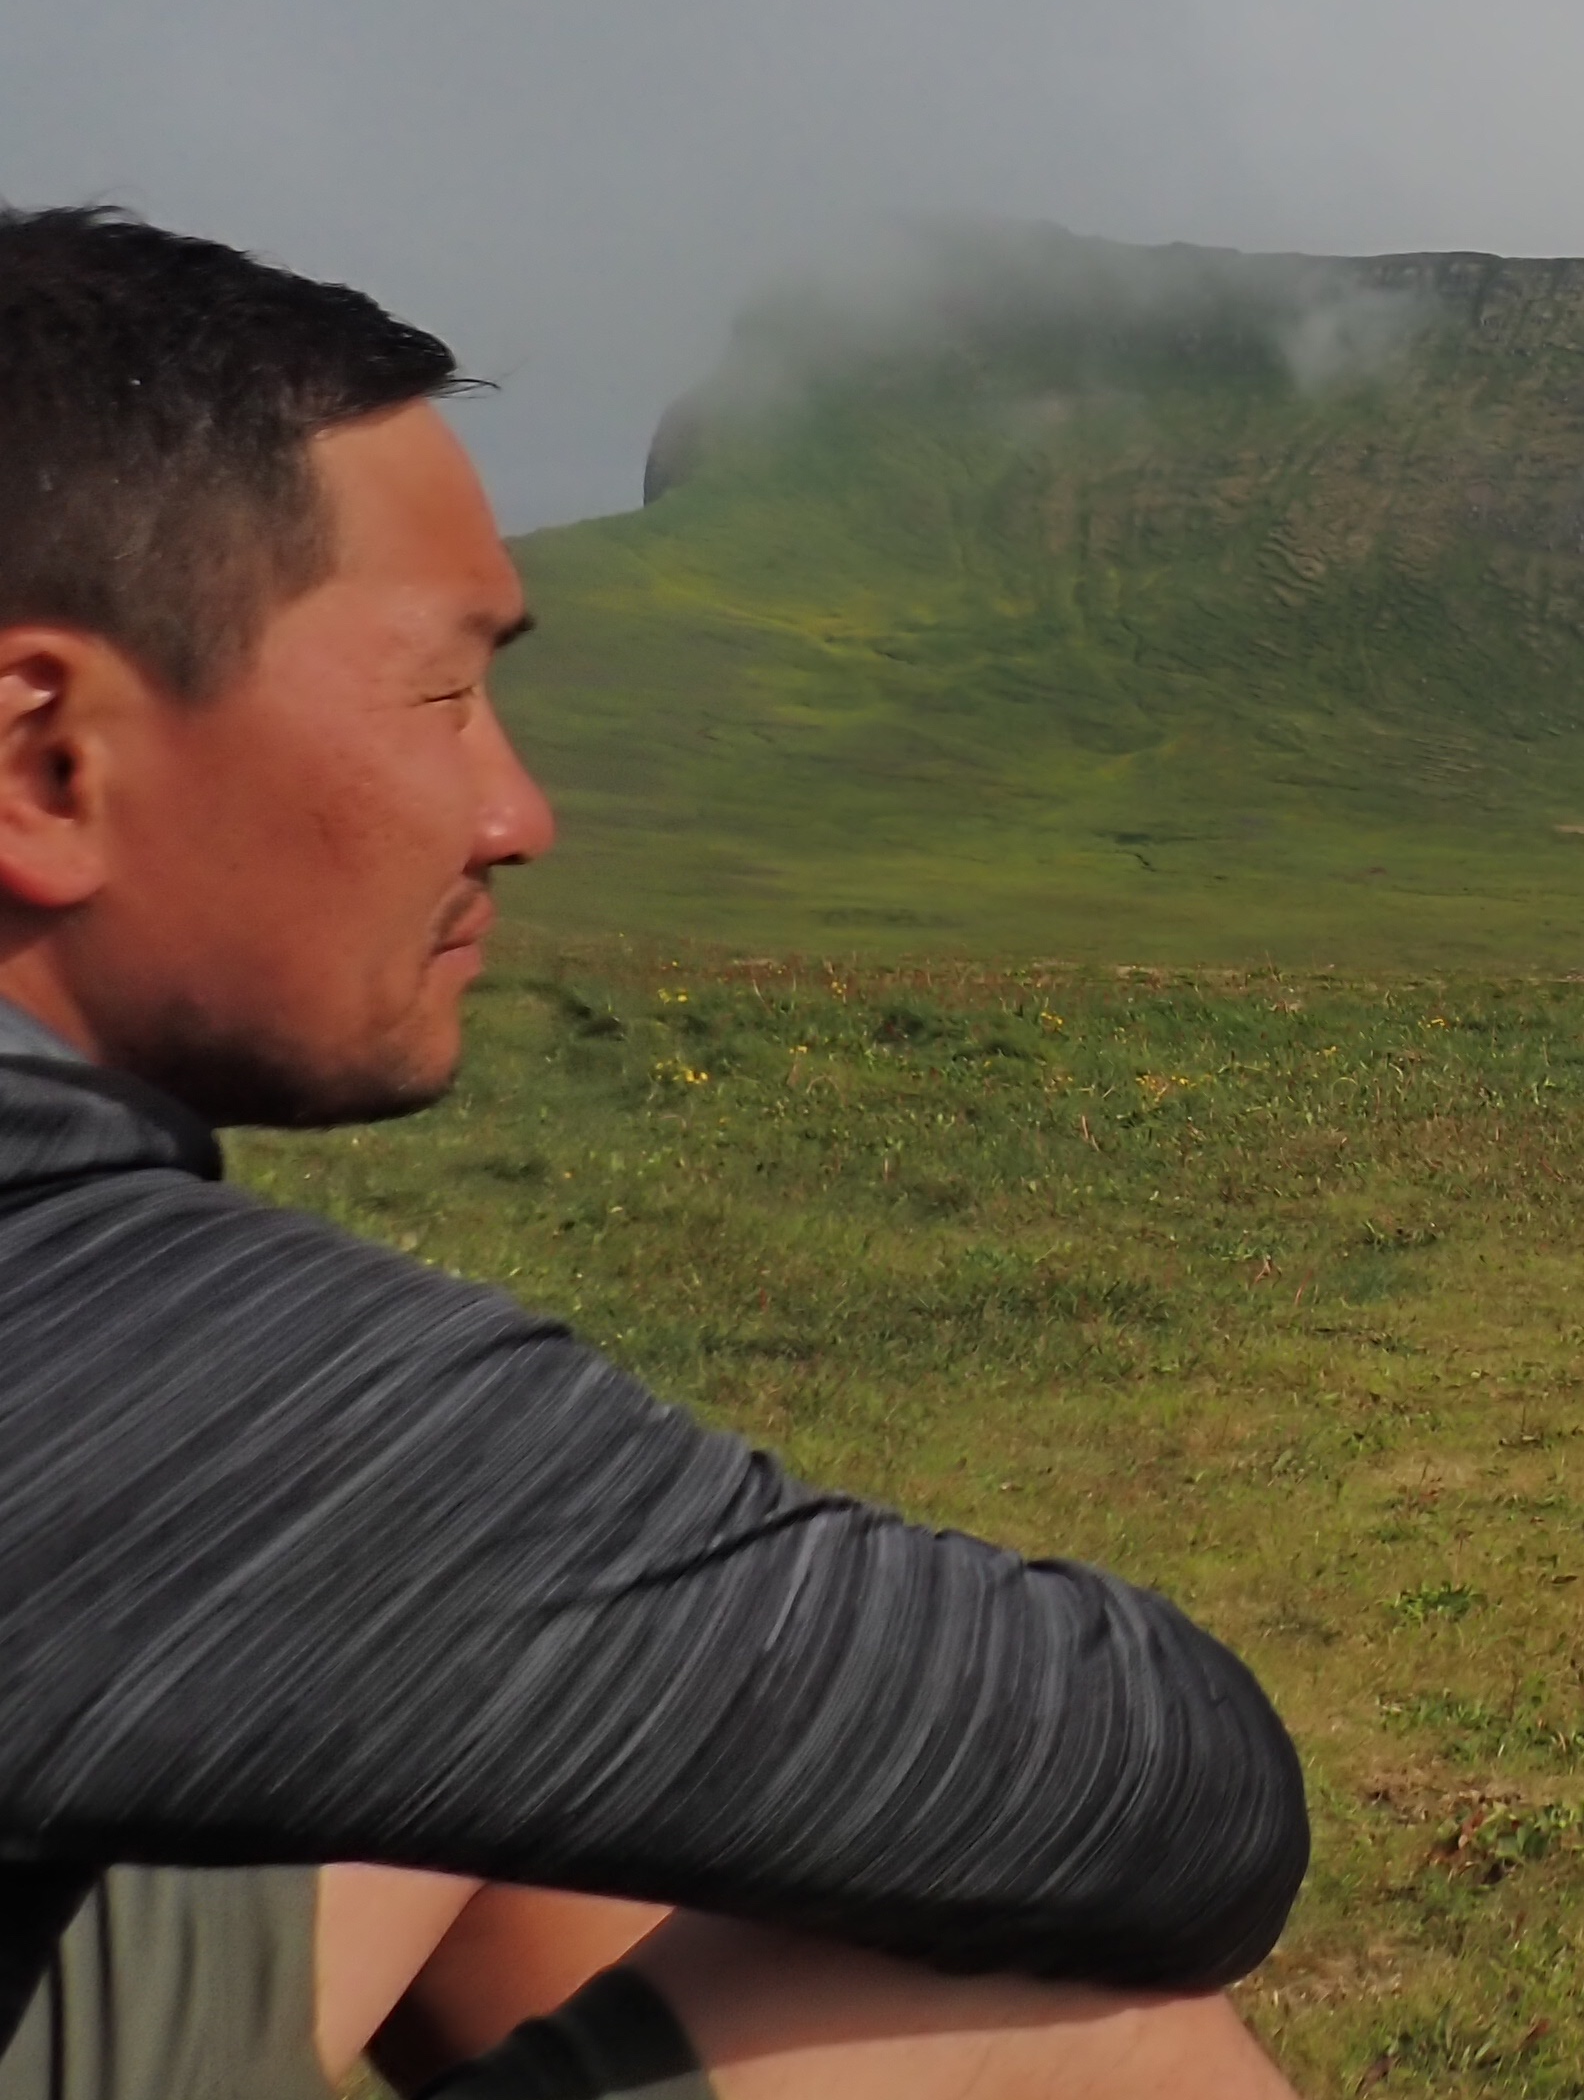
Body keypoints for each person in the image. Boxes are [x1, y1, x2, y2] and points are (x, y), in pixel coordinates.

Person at [0, 208, 1309, 2099]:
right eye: (444, 692)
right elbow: (1168, 1792)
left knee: (486, 1779)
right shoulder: (97, 1355)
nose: (516, 813)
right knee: (1077, 2024)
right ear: (46, 759)